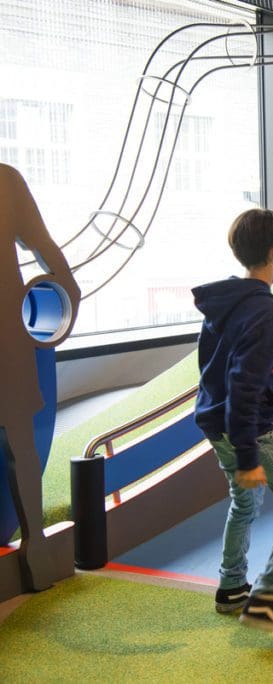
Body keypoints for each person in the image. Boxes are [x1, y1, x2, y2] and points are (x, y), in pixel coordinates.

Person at [193, 208, 273, 637]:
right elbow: (241, 383)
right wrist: (250, 454)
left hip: (216, 424)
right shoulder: (266, 312)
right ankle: (266, 599)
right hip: (245, 430)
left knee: (244, 503)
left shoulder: (225, 302)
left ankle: (232, 586)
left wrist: (272, 389)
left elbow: (221, 369)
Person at [0, 163, 80, 592]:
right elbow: (52, 259)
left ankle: (36, 546)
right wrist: (63, 296)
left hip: (9, 336)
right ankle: (36, 547)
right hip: (9, 336)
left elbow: (52, 260)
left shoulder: (7, 182)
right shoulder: (6, 182)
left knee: (21, 441)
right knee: (21, 443)